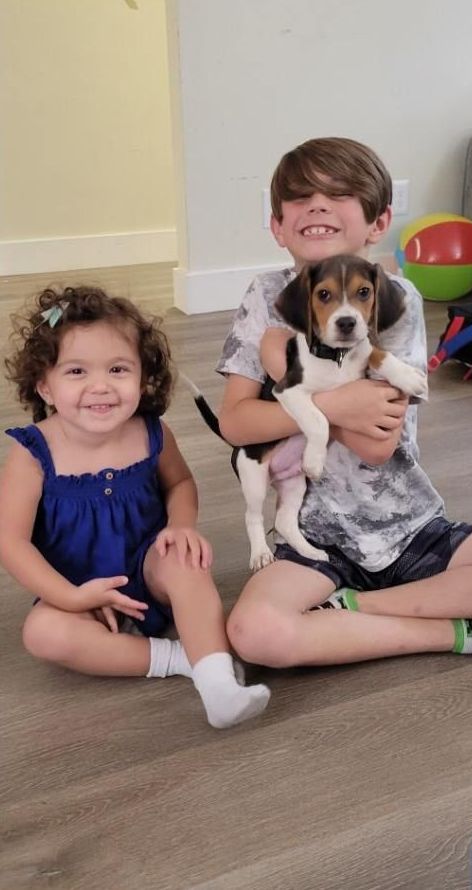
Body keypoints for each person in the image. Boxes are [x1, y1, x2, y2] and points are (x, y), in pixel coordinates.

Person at [216, 136, 472, 669]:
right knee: (254, 633)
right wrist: (338, 403)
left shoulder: (395, 298)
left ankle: (357, 608)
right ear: (278, 225)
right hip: (312, 539)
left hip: (407, 523)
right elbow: (235, 424)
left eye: (338, 194)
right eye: (300, 198)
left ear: (378, 221)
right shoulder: (264, 296)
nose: (318, 205)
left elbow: (377, 445)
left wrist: (283, 368)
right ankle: (452, 631)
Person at [0, 285, 270, 729]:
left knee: (187, 562)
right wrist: (70, 596)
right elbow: (11, 542)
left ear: (143, 376)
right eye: (76, 372)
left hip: (148, 566)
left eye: (118, 369)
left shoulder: (151, 432)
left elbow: (180, 482)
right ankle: (180, 657)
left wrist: (181, 527)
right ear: (44, 386)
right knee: (42, 634)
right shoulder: (33, 452)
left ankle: (219, 682)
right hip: (77, 589)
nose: (100, 386)